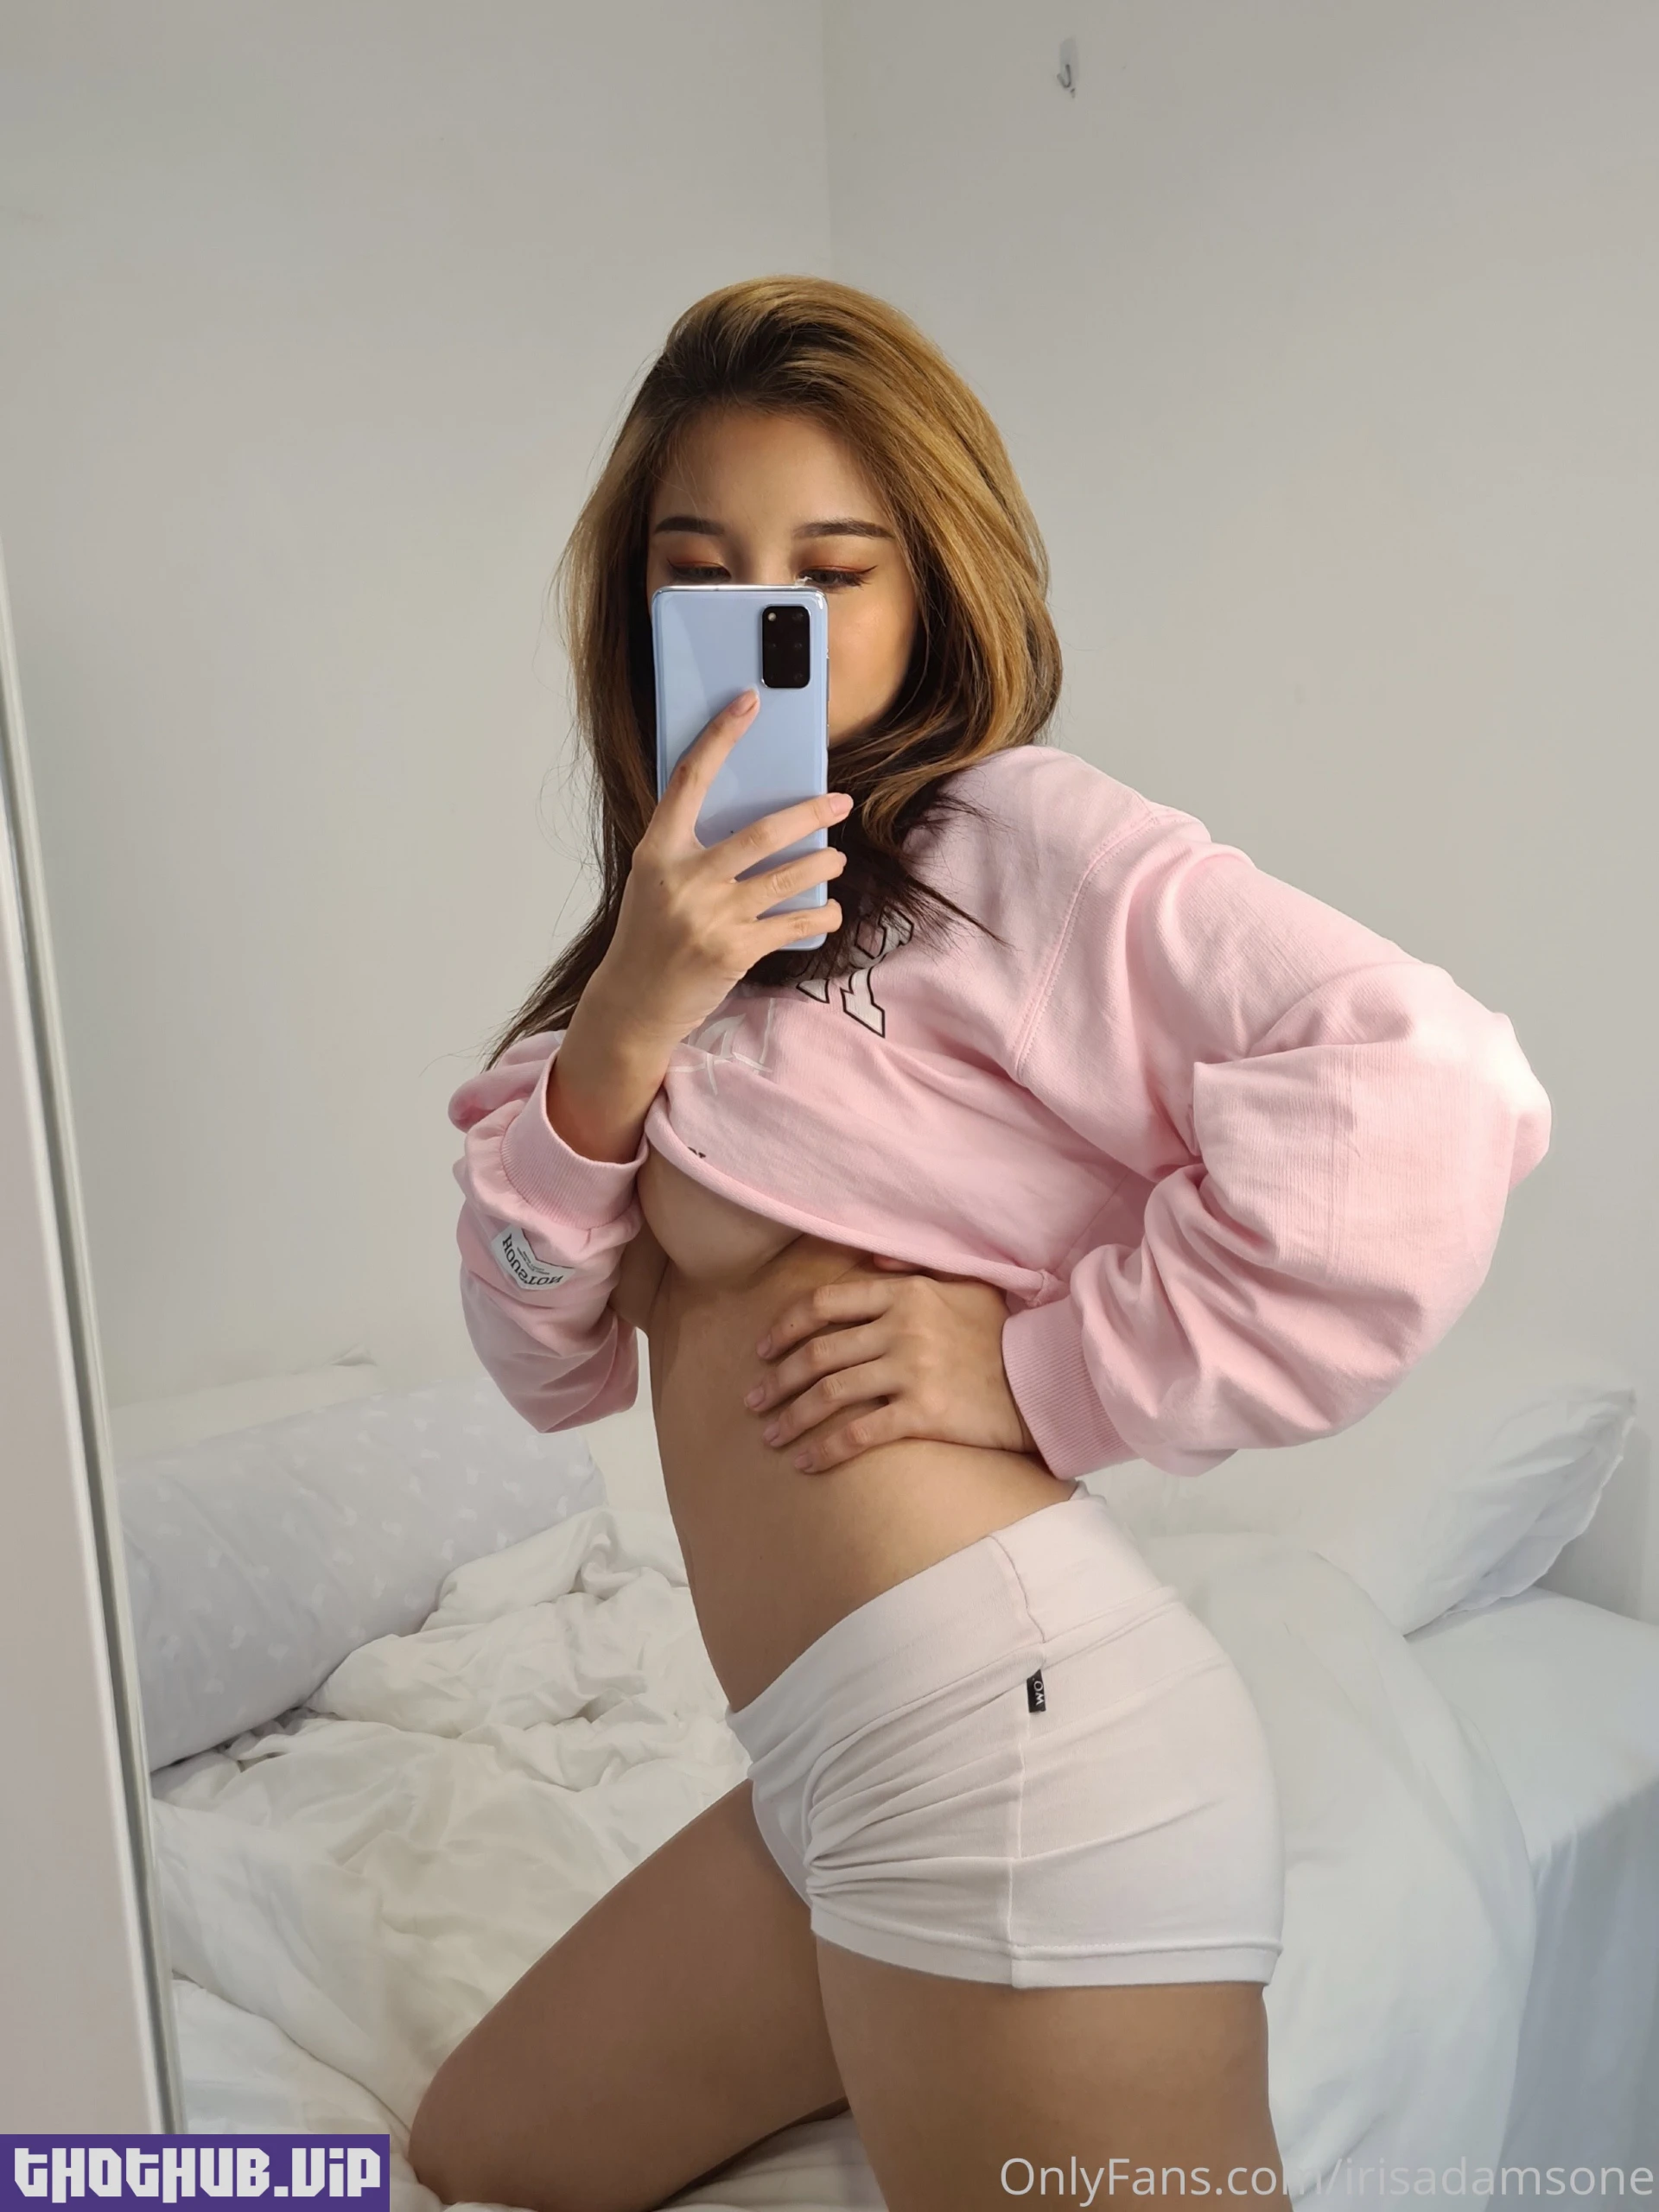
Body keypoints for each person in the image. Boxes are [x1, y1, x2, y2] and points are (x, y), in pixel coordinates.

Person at [409, 276, 1550, 2212]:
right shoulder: (641, 968)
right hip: (825, 1770)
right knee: (476, 2153)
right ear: (636, 613)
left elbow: (1428, 1086)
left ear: (929, 592)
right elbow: (540, 1357)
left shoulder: (1007, 846)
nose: (764, 621)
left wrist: (1042, 1370)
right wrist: (622, 1031)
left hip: (1011, 1738)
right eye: (703, 575)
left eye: (830, 572)